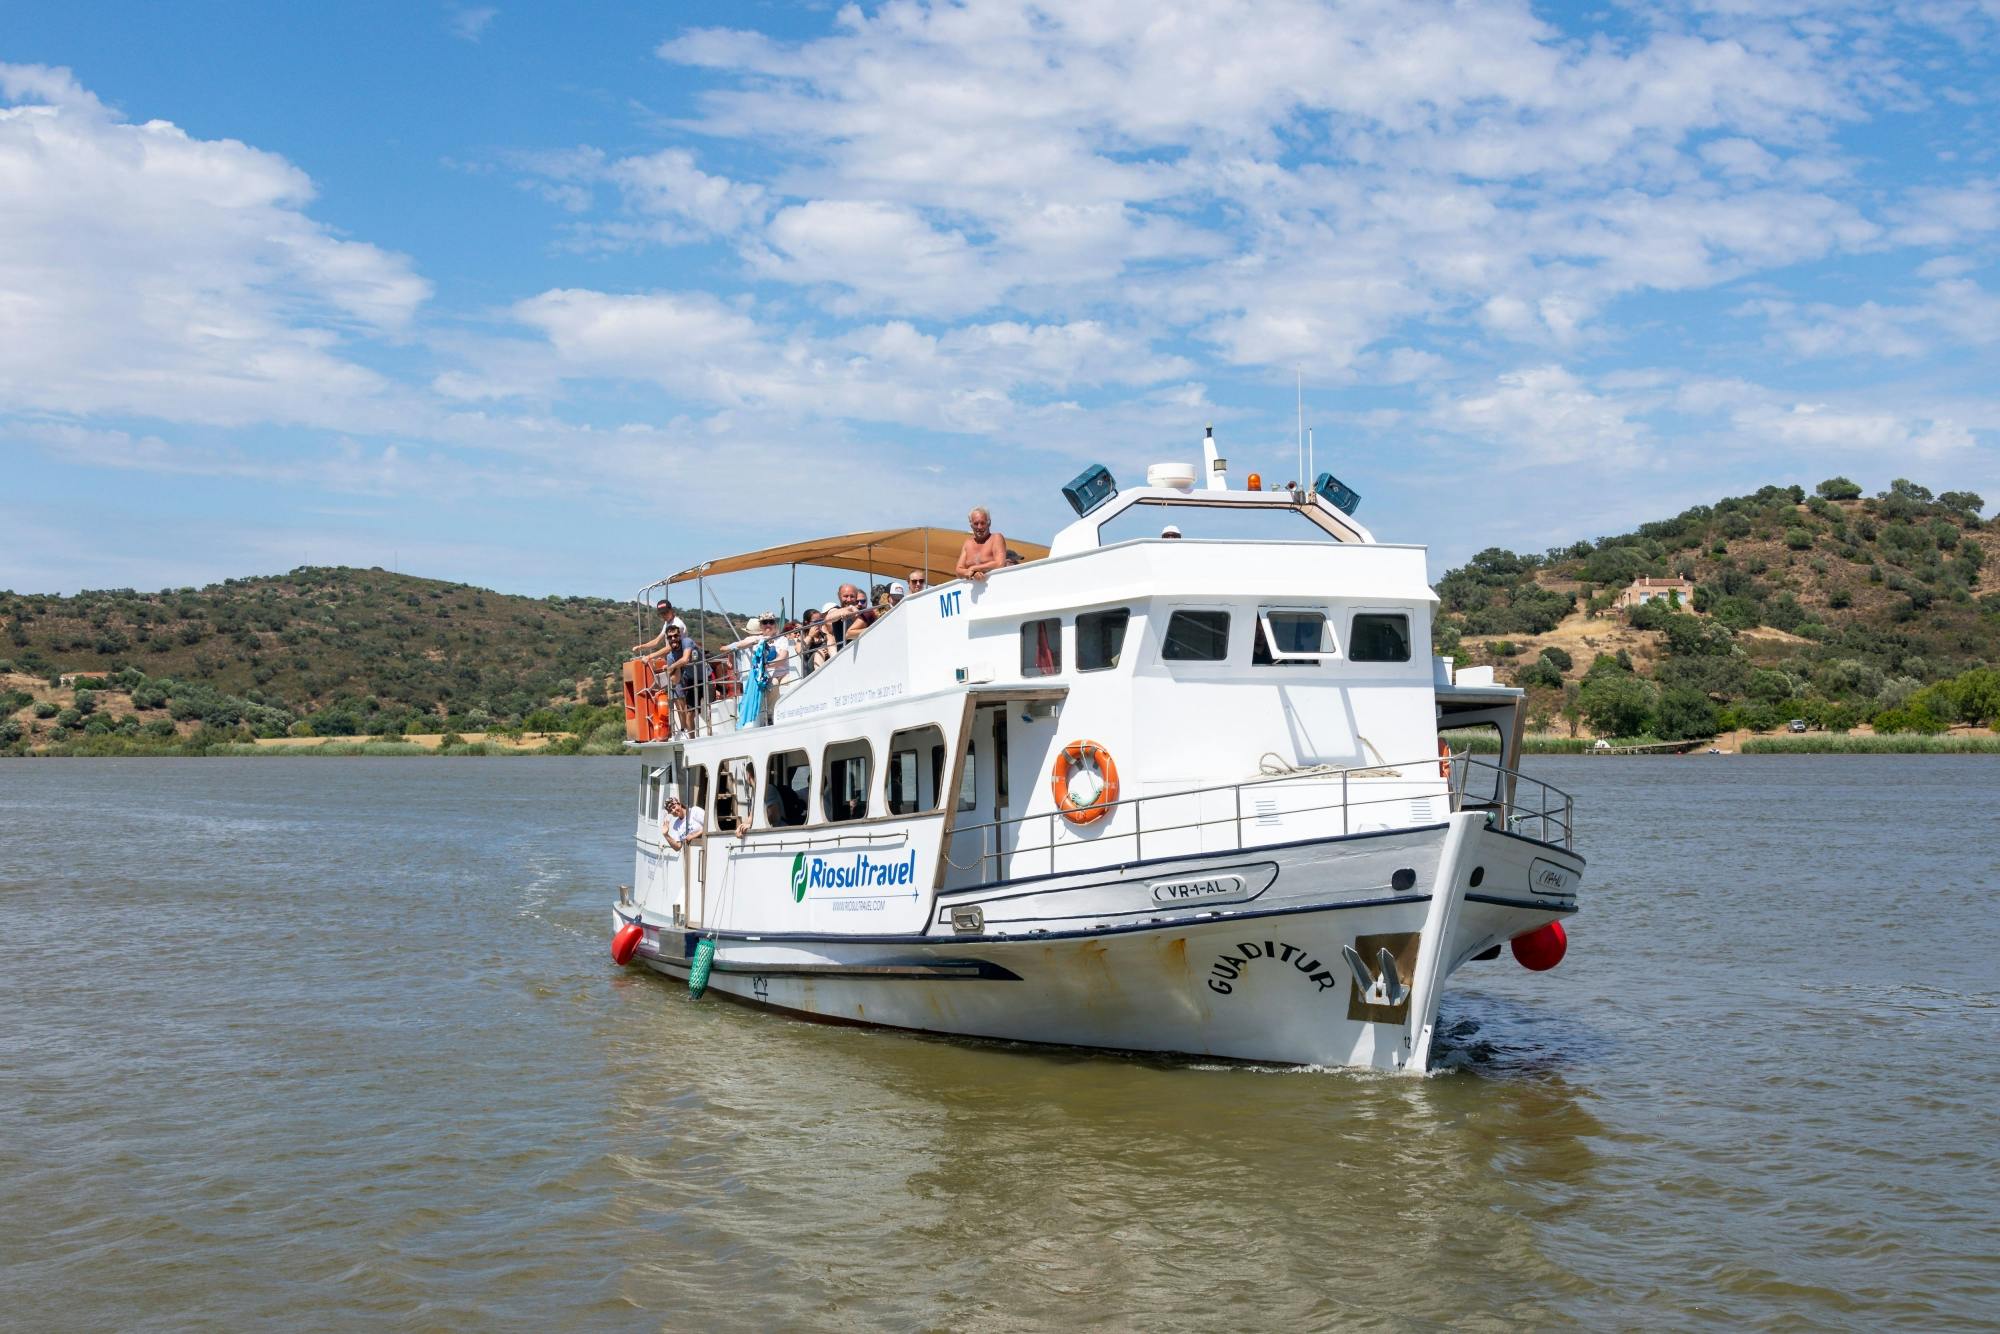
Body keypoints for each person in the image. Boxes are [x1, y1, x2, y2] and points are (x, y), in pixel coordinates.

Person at [661, 626, 702, 736]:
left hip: (705, 678)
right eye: (670, 637)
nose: (673, 638)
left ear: (680, 636)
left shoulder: (687, 642)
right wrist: (677, 667)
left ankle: (710, 731)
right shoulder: (670, 656)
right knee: (689, 714)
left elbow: (685, 659)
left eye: (675, 635)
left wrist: (673, 666)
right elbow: (675, 680)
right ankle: (692, 739)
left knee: (709, 708)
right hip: (691, 682)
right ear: (667, 639)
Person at [955, 507, 1008, 582]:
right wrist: (971, 573)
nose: (979, 527)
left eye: (982, 523)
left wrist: (973, 569)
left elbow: (999, 564)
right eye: (976, 524)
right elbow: (958, 570)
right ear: (971, 525)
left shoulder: (996, 538)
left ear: (989, 523)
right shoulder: (968, 543)